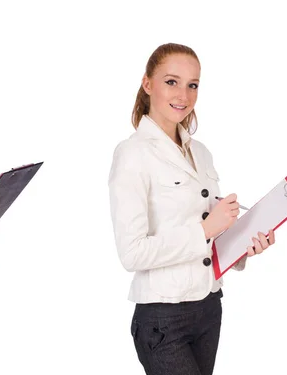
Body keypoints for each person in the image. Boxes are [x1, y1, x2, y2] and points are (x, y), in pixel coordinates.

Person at [107, 43, 277, 375]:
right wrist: (205, 230)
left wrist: (244, 246)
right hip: (163, 318)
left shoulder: (201, 152)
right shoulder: (132, 154)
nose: (183, 94)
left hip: (209, 308)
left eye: (193, 84)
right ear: (147, 84)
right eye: (172, 81)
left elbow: (210, 239)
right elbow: (132, 254)